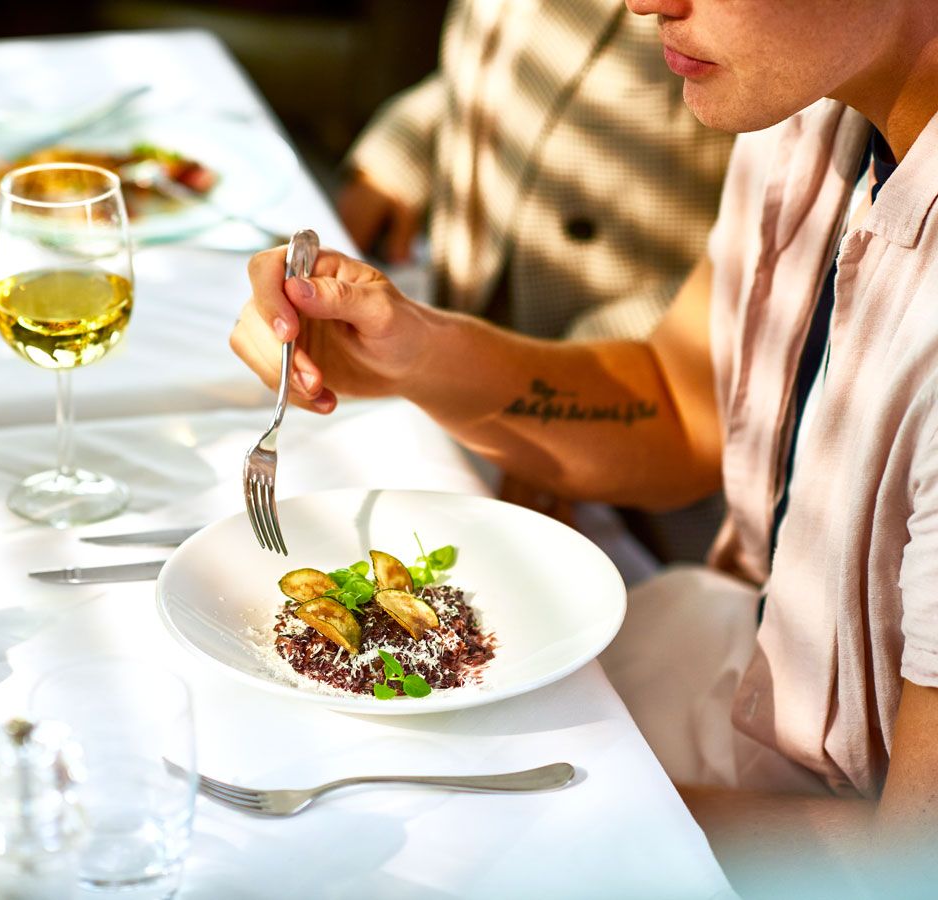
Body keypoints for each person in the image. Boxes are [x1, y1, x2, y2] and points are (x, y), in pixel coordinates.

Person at [231, 0, 938, 890]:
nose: (643, 3)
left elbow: (910, 863)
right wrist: (413, 351)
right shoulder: (812, 104)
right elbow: (681, 404)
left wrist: (494, 818)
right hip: (721, 681)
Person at [339, 0, 736, 565]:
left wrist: (572, 392)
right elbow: (498, 64)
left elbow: (769, 228)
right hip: (474, 322)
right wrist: (402, 150)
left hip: (637, 410)